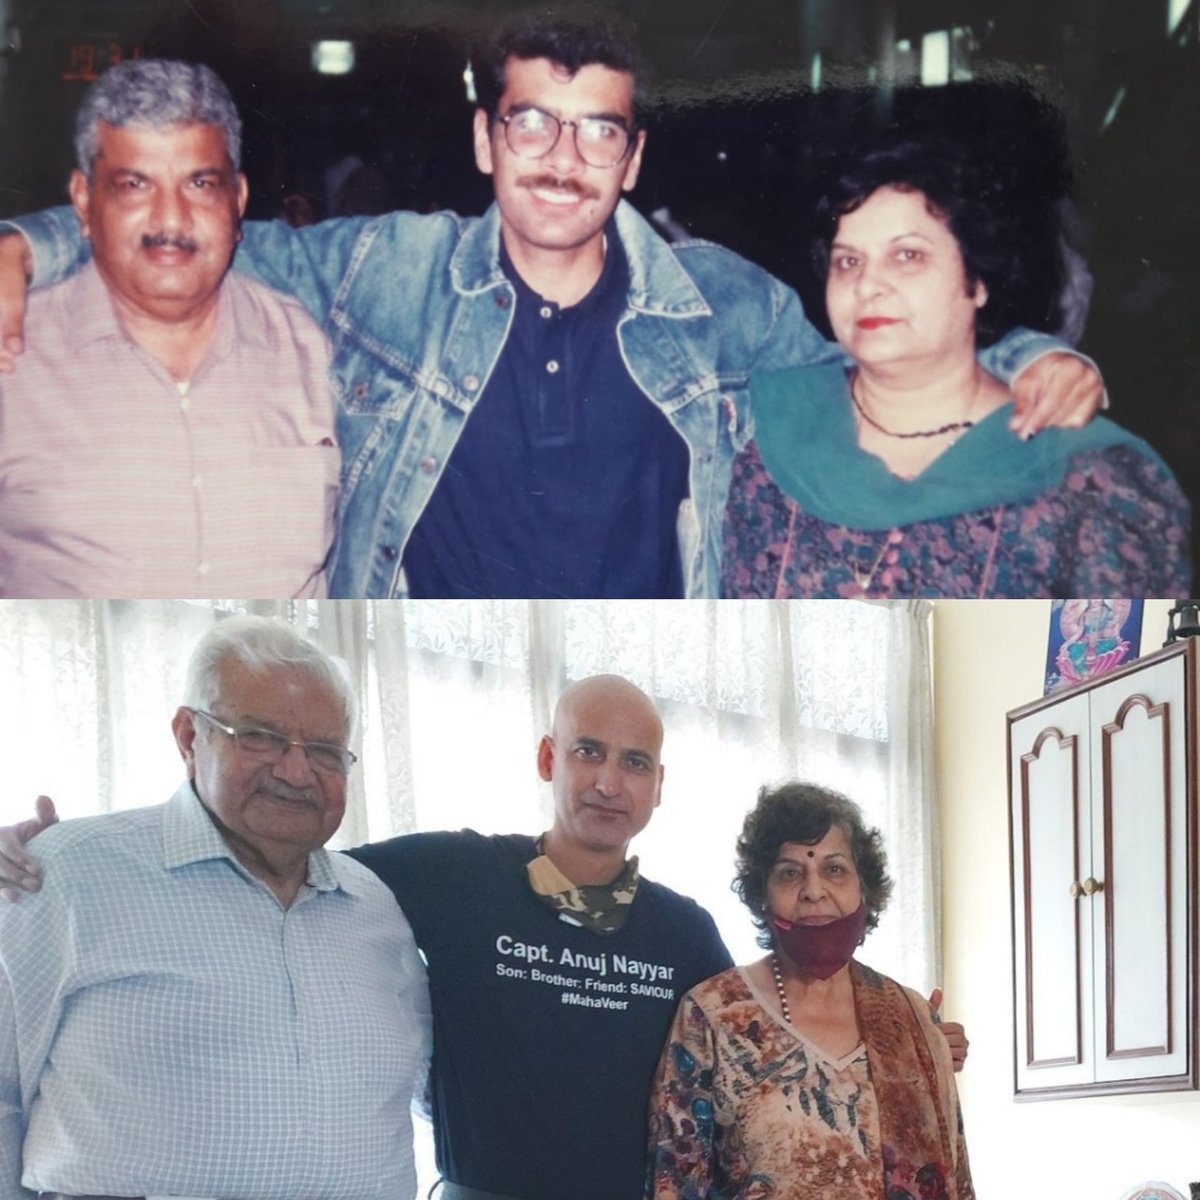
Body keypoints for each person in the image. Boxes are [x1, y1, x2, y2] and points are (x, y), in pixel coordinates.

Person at [0, 10, 1103, 599]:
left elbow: (886, 352)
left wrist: (1028, 352)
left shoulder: (719, 305)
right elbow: (187, 233)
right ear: (486, 139)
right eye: (532, 123)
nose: (562, 159)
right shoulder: (388, 272)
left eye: (598, 131)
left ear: (633, 158)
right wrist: (26, 242)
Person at [0, 671, 967, 1200]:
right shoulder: (448, 874)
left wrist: (911, 1043)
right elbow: (276, 840)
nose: (606, 781)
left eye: (635, 763)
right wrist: (75, 846)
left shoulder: (682, 930)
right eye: (587, 752)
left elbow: (766, 1046)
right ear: (550, 757)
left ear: (659, 787)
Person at [0, 616, 432, 1199]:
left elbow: (420, 1087)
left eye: (326, 752)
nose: (296, 771)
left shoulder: (375, 904)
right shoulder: (65, 873)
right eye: (259, 737)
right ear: (187, 736)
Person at [721, 135, 1190, 597]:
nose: (867, 285)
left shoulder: (1089, 479)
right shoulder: (764, 433)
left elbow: (1133, 669)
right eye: (848, 261)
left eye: (907, 256)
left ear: (978, 279)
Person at [0, 59, 339, 598]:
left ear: (238, 201)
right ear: (85, 202)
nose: (171, 221)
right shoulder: (14, 361)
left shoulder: (317, 351)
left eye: (199, 184)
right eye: (135, 185)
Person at [647, 781, 973, 1199]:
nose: (814, 890)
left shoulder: (910, 1016)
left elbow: (955, 1178)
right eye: (790, 873)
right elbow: (674, 1183)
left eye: (834, 869)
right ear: (762, 895)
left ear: (864, 891)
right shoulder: (713, 1015)